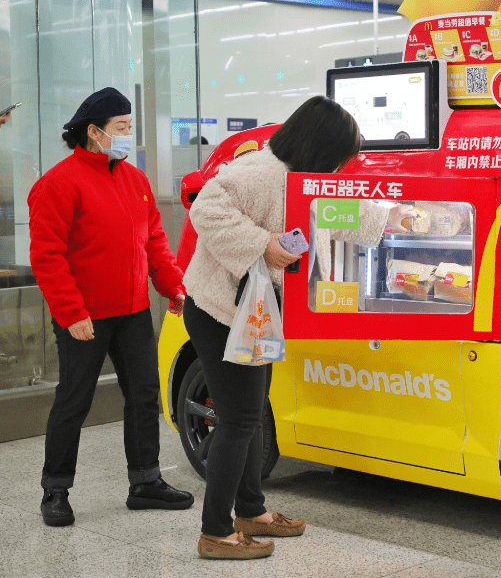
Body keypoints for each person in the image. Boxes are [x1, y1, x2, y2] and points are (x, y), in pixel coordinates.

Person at [183, 95, 416, 560]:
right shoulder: (257, 173)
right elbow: (203, 209)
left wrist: (393, 215)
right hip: (220, 313)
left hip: (255, 314)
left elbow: (337, 213)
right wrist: (260, 243)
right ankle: (215, 532)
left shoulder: (308, 178)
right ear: (321, 146)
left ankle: (251, 510)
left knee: (250, 413)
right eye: (342, 154)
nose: (343, 165)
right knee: (238, 420)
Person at [28, 87, 193, 527]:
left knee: (143, 395)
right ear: (93, 132)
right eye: (121, 128)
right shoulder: (58, 183)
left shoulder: (135, 181)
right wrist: (71, 313)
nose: (127, 135)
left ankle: (145, 482)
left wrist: (172, 286)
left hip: (134, 309)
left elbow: (154, 241)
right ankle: (55, 490)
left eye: (128, 127)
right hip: (85, 314)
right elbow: (47, 256)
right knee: (74, 400)